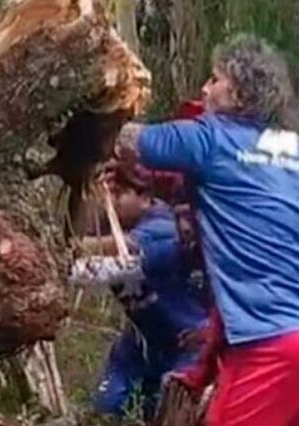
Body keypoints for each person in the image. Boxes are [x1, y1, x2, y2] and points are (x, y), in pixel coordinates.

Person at [112, 34, 299, 426]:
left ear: (239, 92)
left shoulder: (210, 138)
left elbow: (126, 141)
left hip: (270, 346)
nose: (205, 89)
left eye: (214, 79)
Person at [70, 168, 210, 420]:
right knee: (106, 408)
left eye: (119, 193)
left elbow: (121, 251)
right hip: (140, 345)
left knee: (171, 410)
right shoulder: (106, 224)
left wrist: (65, 244)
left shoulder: (163, 227)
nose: (110, 201)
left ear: (145, 198)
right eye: (107, 193)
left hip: (186, 345)